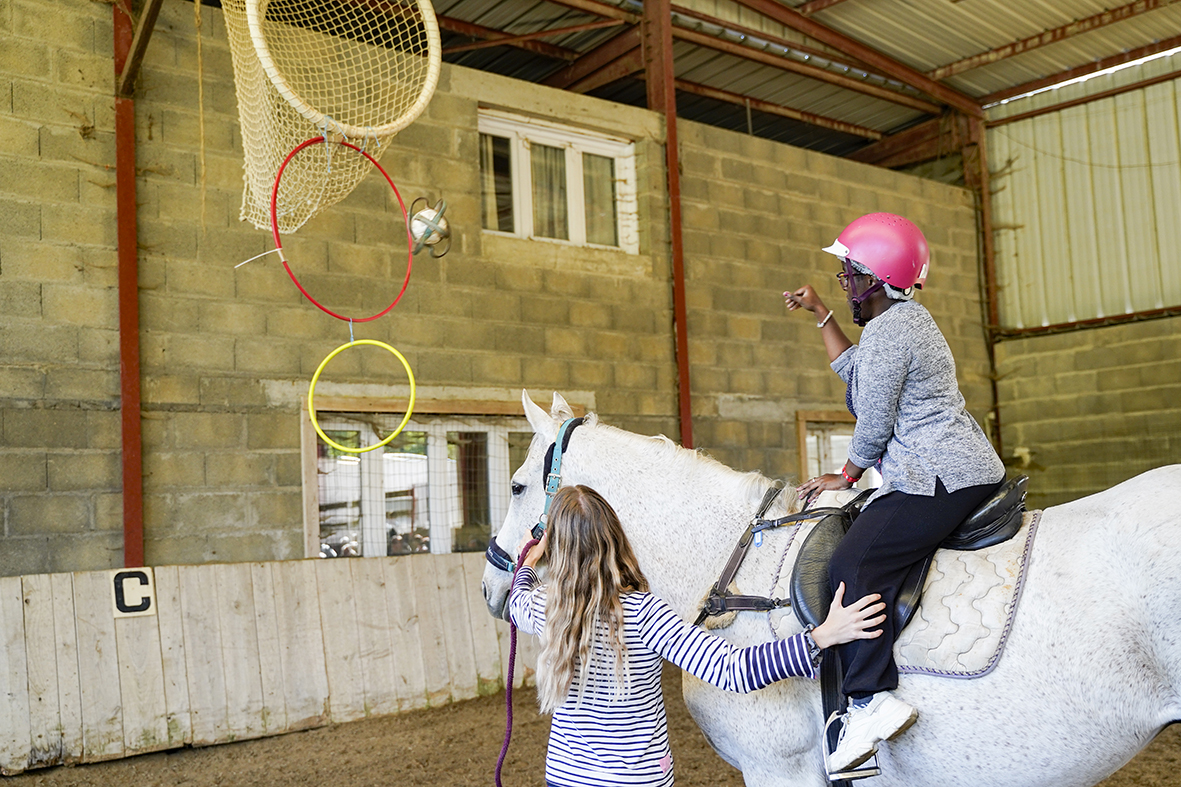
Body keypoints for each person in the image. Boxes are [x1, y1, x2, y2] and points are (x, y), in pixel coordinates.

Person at [784, 212, 1006, 772]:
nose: (844, 284)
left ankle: (870, 698)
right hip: (953, 465)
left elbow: (874, 417)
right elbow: (854, 370)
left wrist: (848, 474)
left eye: (849, 275)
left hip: (937, 473)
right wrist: (820, 313)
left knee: (852, 565)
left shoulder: (892, 331)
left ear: (876, 279)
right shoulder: (899, 325)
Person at [510, 484, 887, 787]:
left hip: (566, 776)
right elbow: (733, 670)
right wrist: (820, 636)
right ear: (615, 536)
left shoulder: (546, 608)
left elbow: (516, 599)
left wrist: (528, 561)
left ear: (556, 550)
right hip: (637, 779)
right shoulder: (643, 613)